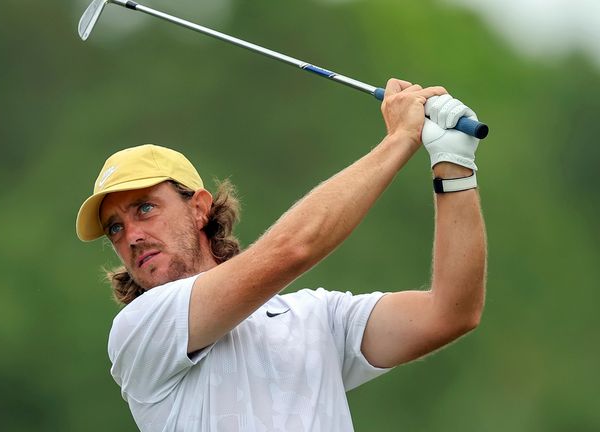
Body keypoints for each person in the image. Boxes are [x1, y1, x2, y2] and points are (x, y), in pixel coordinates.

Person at [75, 78, 487, 431]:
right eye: (115, 227)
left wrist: (454, 165)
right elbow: (293, 249)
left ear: (199, 208)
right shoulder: (141, 329)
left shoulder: (317, 318)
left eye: (145, 208)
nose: (131, 235)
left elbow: (451, 312)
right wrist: (400, 139)